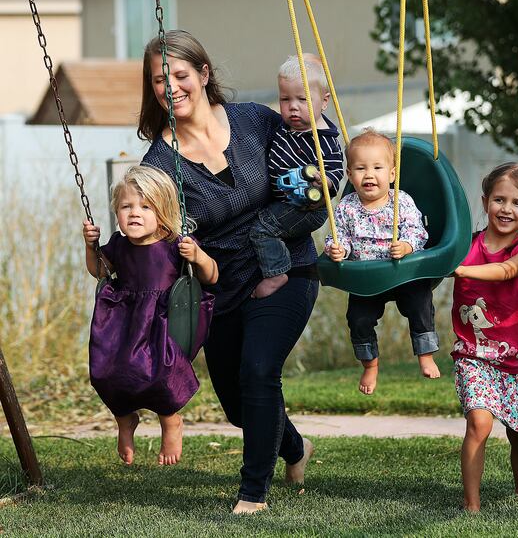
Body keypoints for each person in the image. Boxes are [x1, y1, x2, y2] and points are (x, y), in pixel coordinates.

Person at [139, 30, 318, 514]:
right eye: (160, 80)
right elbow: (151, 233)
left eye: (180, 75)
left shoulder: (255, 121)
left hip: (287, 267)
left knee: (259, 371)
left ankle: (252, 494)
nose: (171, 87)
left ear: (203, 74)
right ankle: (296, 447)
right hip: (218, 287)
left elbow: (310, 169)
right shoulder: (160, 162)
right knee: (240, 406)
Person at [82, 165, 216, 466]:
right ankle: (125, 418)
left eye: (145, 207)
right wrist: (91, 246)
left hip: (164, 321)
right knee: (105, 370)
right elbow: (100, 271)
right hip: (125, 320)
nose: (134, 213)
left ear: (163, 211)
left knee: (160, 372)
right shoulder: (118, 243)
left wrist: (198, 257)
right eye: (126, 206)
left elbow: (212, 275)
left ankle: (170, 421)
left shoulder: (175, 244)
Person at [451, 162, 518, 512]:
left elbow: (508, 271)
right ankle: (472, 505)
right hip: (473, 355)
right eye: (499, 199)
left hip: (516, 360)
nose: (506, 209)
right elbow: (430, 257)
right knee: (479, 422)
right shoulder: (465, 244)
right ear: (485, 201)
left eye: (517, 203)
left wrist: (461, 269)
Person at [325, 130, 440, 395]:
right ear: (349, 174)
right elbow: (338, 235)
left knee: (420, 303)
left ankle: (425, 354)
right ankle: (370, 365)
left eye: (377, 167)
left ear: (391, 174)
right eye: (360, 168)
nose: (369, 175)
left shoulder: (401, 201)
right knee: (358, 319)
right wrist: (339, 249)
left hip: (402, 273)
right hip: (367, 279)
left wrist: (407, 245)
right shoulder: (346, 207)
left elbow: (417, 231)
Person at [249, 54, 344, 299]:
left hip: (308, 207)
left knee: (262, 229)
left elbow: (336, 170)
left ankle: (276, 272)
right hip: (286, 198)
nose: (293, 106)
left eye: (302, 99)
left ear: (324, 102)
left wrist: (326, 181)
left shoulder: (324, 139)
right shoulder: (287, 127)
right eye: (285, 99)